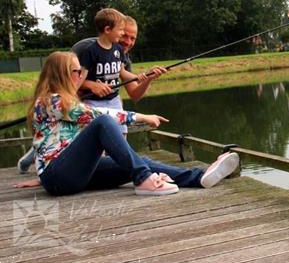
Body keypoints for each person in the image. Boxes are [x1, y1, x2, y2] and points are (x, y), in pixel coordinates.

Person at [14, 52, 239, 195]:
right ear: (63, 74)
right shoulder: (52, 100)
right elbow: (97, 115)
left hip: (64, 176)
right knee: (102, 122)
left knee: (134, 161)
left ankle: (198, 177)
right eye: (77, 71)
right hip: (60, 177)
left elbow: (42, 145)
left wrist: (40, 173)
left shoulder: (60, 103)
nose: (81, 76)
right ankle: (144, 179)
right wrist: (140, 117)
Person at [18, 14, 162, 174]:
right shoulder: (86, 49)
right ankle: (38, 152)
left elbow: (134, 93)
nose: (127, 41)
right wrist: (90, 85)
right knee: (87, 139)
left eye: (132, 38)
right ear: (110, 30)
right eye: (123, 34)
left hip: (110, 101)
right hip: (80, 103)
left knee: (119, 144)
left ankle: (132, 173)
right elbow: (67, 78)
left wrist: (147, 78)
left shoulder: (121, 54)